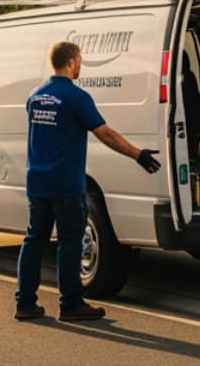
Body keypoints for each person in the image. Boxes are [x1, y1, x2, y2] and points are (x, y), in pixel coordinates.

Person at [15, 39, 161, 322]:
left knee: (34, 241)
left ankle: (25, 303)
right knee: (70, 243)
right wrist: (137, 154)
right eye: (79, 60)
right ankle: (70, 304)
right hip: (66, 184)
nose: (80, 64)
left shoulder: (35, 95)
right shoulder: (76, 97)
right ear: (71, 62)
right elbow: (104, 133)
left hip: (37, 182)